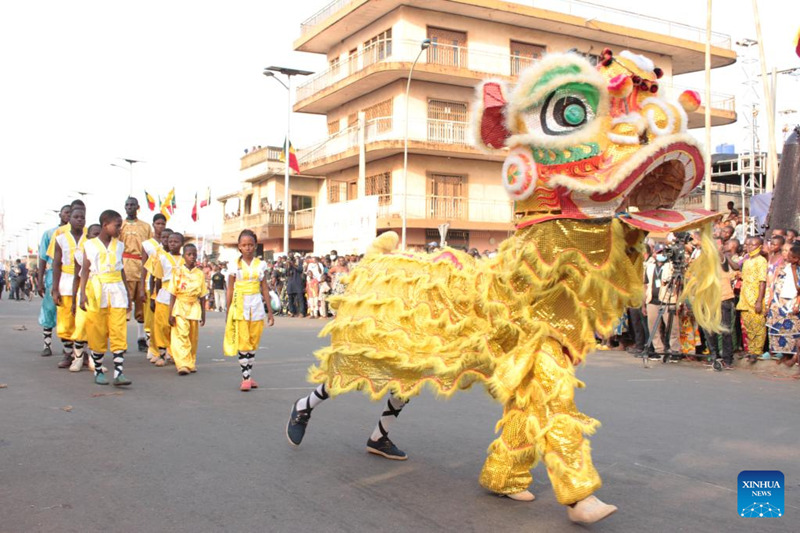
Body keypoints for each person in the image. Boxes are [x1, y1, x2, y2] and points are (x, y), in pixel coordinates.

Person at [79, 210, 132, 386]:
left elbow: (121, 269)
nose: (119, 229)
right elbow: (85, 271)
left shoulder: (120, 245)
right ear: (105, 225)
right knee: (98, 330)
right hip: (97, 291)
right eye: (117, 226)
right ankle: (99, 371)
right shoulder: (90, 245)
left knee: (118, 329)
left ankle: (119, 373)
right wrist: (82, 295)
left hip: (117, 290)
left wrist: (128, 294)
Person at [222, 229, 274, 391]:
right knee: (243, 341)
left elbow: (264, 288)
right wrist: (228, 309)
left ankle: (248, 373)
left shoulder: (261, 265)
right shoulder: (234, 265)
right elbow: (230, 289)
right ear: (239, 247)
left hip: (256, 305)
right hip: (240, 305)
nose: (248, 248)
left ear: (255, 246)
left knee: (253, 341)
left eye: (251, 245)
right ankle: (246, 377)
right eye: (244, 245)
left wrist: (270, 311)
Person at [49, 202, 87, 369]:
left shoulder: (91, 237)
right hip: (65, 280)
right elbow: (56, 264)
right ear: (69, 219)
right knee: (65, 320)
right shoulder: (61, 238)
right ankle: (67, 352)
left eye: (82, 217)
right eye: (76, 217)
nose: (79, 220)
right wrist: (55, 288)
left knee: (84, 319)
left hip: (85, 282)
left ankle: (82, 353)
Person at [168, 243, 207, 375]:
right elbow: (173, 294)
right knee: (181, 335)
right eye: (189, 254)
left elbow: (202, 296)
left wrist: (203, 314)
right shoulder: (177, 272)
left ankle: (191, 362)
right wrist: (171, 313)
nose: (192, 257)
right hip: (180, 306)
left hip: (194, 307)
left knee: (192, 337)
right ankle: (183, 364)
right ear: (183, 256)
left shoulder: (200, 274)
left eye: (194, 254)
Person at [120, 196, 153, 352]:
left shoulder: (145, 227)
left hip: (141, 267)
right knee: (123, 306)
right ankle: (121, 341)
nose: (130, 207)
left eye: (132, 205)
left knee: (141, 305)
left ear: (137, 207)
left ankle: (141, 339)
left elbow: (150, 248)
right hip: (124, 268)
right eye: (127, 205)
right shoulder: (120, 225)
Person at [38, 205, 71, 355]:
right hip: (53, 274)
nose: (69, 215)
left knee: (67, 310)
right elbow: (43, 258)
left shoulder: (77, 233)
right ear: (60, 214)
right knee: (49, 307)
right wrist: (40, 281)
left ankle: (68, 348)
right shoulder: (50, 233)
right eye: (66, 212)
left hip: (70, 275)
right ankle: (47, 344)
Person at [148, 232, 184, 367]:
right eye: (170, 241)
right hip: (164, 295)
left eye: (176, 241)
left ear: (182, 244)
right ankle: (162, 354)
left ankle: (175, 353)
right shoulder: (162, 258)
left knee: (177, 326)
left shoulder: (185, 259)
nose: (173, 244)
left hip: (180, 296)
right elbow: (158, 279)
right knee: (162, 326)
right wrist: (155, 296)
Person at [69, 223, 101, 371]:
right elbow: (77, 277)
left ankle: (95, 360)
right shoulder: (80, 254)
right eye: (94, 234)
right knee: (81, 325)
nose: (97, 237)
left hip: (101, 291)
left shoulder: (107, 253)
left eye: (99, 234)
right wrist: (76, 297)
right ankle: (78, 358)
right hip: (86, 290)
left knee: (97, 327)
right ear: (88, 237)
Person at [643, 244, 681, 359]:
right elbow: (645, 284)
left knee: (672, 327)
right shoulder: (649, 267)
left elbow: (678, 283)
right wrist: (644, 303)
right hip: (652, 300)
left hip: (667, 300)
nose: (660, 255)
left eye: (663, 253)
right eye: (659, 253)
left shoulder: (671, 266)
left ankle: (674, 351)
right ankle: (658, 350)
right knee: (653, 327)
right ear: (654, 253)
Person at [140, 214, 167, 360]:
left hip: (166, 286)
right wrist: (141, 286)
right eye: (158, 223)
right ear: (153, 225)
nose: (160, 226)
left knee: (163, 317)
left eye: (163, 224)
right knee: (150, 316)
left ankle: (163, 347)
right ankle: (151, 346)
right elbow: (144, 266)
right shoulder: (147, 244)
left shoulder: (169, 241)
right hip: (151, 282)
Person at [737, 237, 768, 363]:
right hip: (744, 297)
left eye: (753, 244)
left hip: (755, 297)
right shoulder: (747, 260)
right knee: (748, 326)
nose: (749, 247)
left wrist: (759, 300)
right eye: (747, 244)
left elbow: (762, 282)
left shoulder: (761, 261)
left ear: (760, 246)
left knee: (758, 326)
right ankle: (750, 350)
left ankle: (757, 351)